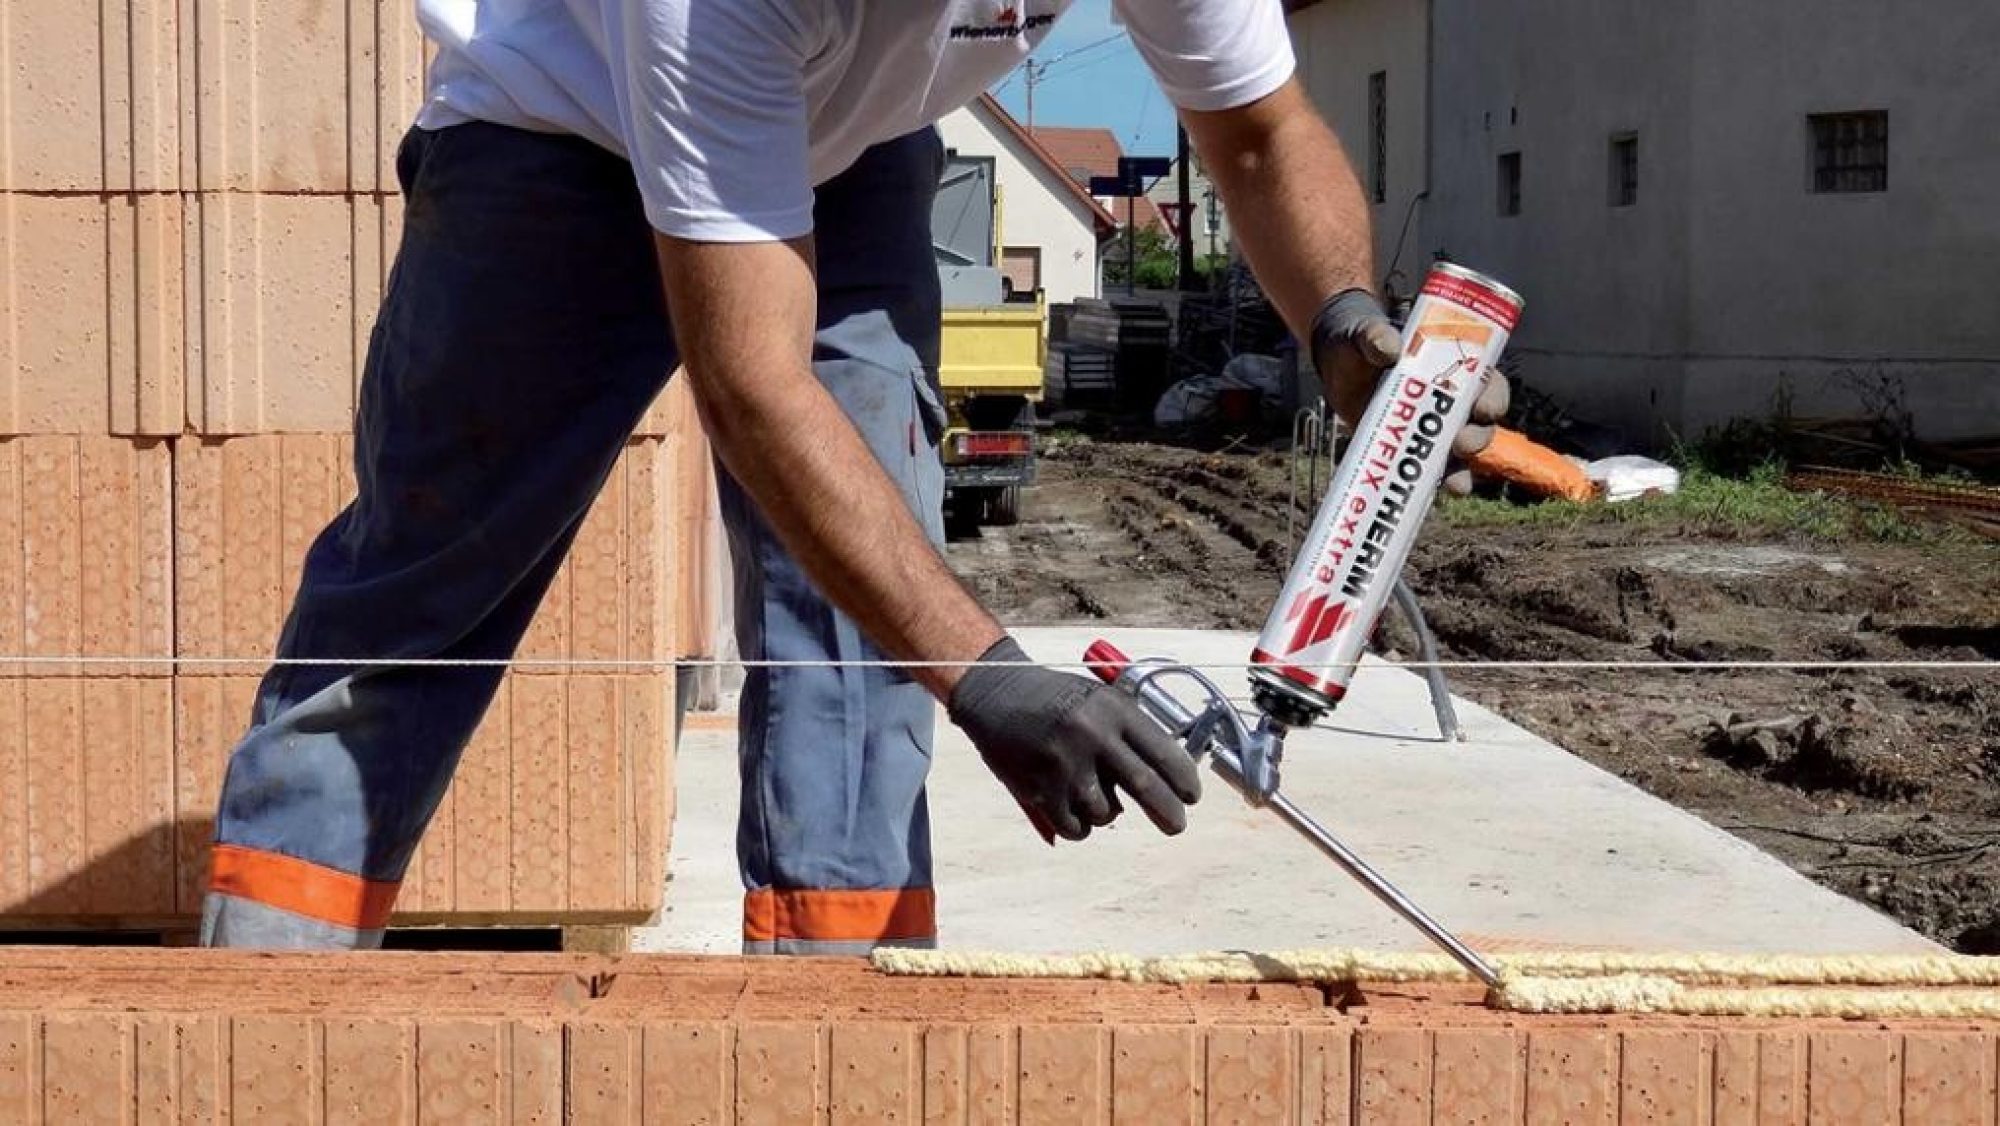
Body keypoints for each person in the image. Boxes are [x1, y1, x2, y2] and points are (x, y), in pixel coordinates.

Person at [199, 0, 1508, 953]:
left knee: (860, 650)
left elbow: (1265, 138)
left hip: (854, 135)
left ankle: (834, 1042)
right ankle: (264, 1023)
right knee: (419, 600)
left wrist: (1343, 323)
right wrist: (991, 674)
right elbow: (757, 387)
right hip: (559, 126)